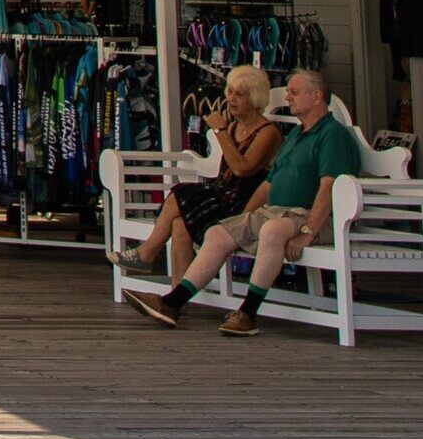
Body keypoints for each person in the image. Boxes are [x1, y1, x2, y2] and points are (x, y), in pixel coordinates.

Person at [126, 67, 369, 335]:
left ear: (316, 97)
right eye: (287, 91)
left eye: (294, 92)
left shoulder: (332, 135)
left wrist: (307, 233)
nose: (288, 97)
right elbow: (269, 184)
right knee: (218, 233)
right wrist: (242, 219)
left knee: (272, 229)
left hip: (311, 217)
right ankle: (171, 303)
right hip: (277, 213)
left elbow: (329, 186)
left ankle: (248, 313)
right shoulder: (296, 136)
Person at [121, 64, 282, 278]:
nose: (231, 99)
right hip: (222, 195)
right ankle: (174, 299)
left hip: (243, 205)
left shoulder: (267, 132)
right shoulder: (234, 127)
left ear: (254, 99)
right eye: (230, 92)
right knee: (180, 224)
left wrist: (220, 130)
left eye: (239, 94)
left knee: (181, 191)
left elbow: (243, 169)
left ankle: (146, 253)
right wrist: (225, 130)